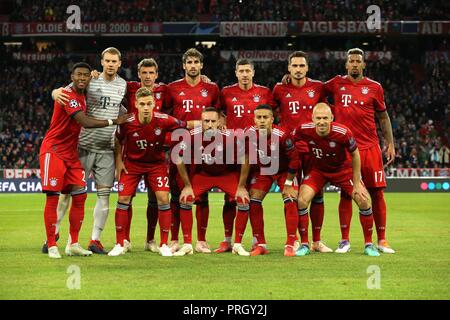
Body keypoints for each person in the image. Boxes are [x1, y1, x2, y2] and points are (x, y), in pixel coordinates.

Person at [40, 62, 131, 259]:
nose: (82, 78)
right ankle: (52, 244)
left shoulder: (84, 94)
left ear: (90, 78)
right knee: (54, 197)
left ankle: (73, 243)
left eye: (85, 75)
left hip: (71, 153)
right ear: (71, 77)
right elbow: (85, 122)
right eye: (78, 75)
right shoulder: (68, 94)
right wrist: (114, 122)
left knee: (80, 196)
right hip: (54, 150)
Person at [108, 87, 199, 257]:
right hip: (132, 165)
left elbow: (186, 124)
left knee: (163, 198)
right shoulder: (127, 121)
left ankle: (164, 244)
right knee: (123, 198)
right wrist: (119, 161)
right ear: (136, 104)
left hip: (155, 165)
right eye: (142, 104)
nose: (145, 107)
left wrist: (211, 122)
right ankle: (120, 243)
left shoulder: (163, 120)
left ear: (154, 104)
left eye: (149, 103)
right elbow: (118, 139)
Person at [324, 48, 395, 254]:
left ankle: (381, 240)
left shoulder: (374, 87)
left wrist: (390, 143)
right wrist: (289, 80)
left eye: (358, 61)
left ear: (363, 65)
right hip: (345, 148)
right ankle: (344, 240)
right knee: (347, 194)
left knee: (376, 193)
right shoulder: (336, 83)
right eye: (351, 61)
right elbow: (314, 89)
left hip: (370, 147)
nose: (354, 64)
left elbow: (383, 117)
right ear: (346, 65)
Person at [293, 103, 379, 257]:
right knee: (302, 200)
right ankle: (305, 244)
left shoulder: (343, 132)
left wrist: (357, 182)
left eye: (325, 118)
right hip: (318, 171)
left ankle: (369, 244)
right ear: (312, 118)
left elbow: (355, 155)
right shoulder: (303, 130)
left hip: (343, 170)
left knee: (364, 200)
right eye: (318, 118)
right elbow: (290, 142)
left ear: (331, 118)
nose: (321, 121)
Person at [273, 51, 332, 254]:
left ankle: (316, 240)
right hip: (289, 151)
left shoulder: (317, 87)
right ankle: (298, 240)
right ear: (289, 68)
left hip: (313, 149)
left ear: (307, 68)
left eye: (301, 66)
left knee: (317, 194)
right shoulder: (279, 89)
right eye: (294, 66)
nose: (298, 69)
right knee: (292, 195)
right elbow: (270, 113)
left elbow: (326, 112)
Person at [216, 58, 276, 253]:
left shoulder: (265, 93)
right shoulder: (226, 92)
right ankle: (227, 239)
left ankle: (257, 240)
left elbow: (275, 115)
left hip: (258, 153)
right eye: (241, 71)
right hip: (234, 152)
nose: (244, 74)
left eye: (247, 71)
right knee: (230, 198)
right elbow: (218, 113)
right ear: (236, 73)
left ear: (253, 72)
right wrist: (222, 120)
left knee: (254, 198)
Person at [173, 107, 250, 256]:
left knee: (243, 199)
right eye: (206, 121)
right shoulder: (191, 135)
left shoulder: (231, 136)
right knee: (185, 198)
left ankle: (238, 244)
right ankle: (188, 244)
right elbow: (178, 158)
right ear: (200, 122)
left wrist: (241, 186)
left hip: (226, 174)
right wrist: (188, 186)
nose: (209, 124)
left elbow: (245, 159)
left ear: (220, 122)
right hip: (204, 174)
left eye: (213, 121)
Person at [166, 48, 221, 254]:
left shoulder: (212, 88)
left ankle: (202, 240)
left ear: (201, 65)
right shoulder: (172, 88)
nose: (192, 66)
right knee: (176, 194)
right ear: (183, 65)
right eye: (189, 62)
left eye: (196, 62)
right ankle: (174, 239)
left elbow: (219, 114)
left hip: (204, 148)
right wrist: (185, 124)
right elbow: (165, 115)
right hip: (178, 147)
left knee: (202, 194)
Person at [240, 104, 300, 257]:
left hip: (284, 172)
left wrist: (288, 184)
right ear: (254, 119)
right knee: (254, 199)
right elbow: (246, 158)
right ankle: (260, 244)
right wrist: (241, 185)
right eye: (258, 117)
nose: (262, 121)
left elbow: (295, 161)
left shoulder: (282, 135)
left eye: (265, 117)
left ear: (272, 119)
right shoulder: (248, 133)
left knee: (290, 198)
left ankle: (291, 243)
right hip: (264, 171)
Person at [124, 58, 169, 253]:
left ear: (156, 75)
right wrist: (95, 75)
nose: (148, 76)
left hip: (156, 151)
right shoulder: (129, 87)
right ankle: (124, 240)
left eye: (151, 73)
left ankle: (151, 240)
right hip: (133, 151)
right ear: (139, 74)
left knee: (156, 199)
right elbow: (106, 81)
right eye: (144, 73)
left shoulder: (166, 90)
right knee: (126, 198)